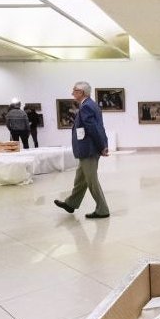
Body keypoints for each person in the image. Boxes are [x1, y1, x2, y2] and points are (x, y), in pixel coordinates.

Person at [54, 82, 110, 219]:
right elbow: (100, 127)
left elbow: (94, 128)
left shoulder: (86, 106)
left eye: (74, 90)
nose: (72, 93)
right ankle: (71, 203)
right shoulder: (91, 104)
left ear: (81, 92)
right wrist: (104, 144)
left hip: (89, 149)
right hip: (89, 149)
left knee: (91, 180)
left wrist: (102, 146)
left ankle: (102, 209)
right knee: (81, 178)